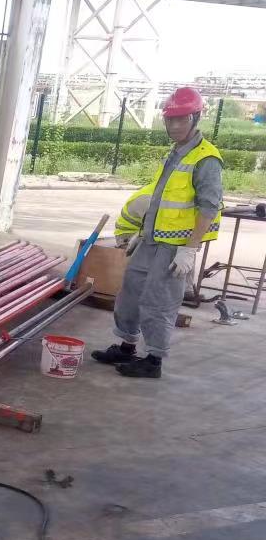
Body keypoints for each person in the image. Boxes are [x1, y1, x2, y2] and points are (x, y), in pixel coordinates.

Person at [91, 86, 223, 379]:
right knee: (130, 292)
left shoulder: (206, 159)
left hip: (175, 247)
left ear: (195, 118)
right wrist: (141, 232)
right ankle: (126, 347)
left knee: (158, 301)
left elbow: (208, 207)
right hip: (152, 239)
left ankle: (153, 360)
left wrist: (190, 249)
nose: (174, 126)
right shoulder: (176, 153)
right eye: (169, 119)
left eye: (181, 119)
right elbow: (160, 198)